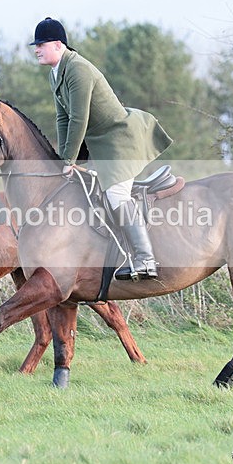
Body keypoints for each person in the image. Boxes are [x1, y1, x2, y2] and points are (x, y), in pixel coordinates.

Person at [29, 17, 173, 280]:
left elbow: (79, 118)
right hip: (99, 143)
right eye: (36, 45)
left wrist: (69, 159)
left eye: (41, 44)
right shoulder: (55, 73)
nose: (36, 49)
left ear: (58, 45)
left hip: (118, 139)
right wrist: (63, 158)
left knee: (116, 194)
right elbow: (62, 118)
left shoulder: (78, 69)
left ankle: (145, 259)